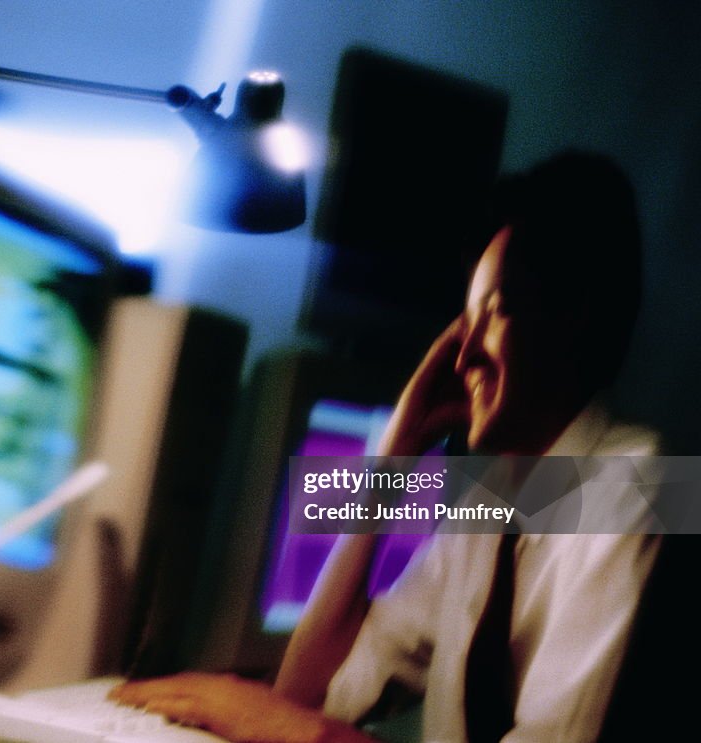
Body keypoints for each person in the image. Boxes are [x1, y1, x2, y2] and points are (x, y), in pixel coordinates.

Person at [110, 151, 664, 742]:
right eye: (463, 323)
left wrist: (298, 731)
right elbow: (312, 692)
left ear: (572, 318)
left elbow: (300, 722)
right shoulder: (493, 508)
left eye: (494, 314)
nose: (462, 352)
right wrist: (393, 458)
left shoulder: (636, 484)